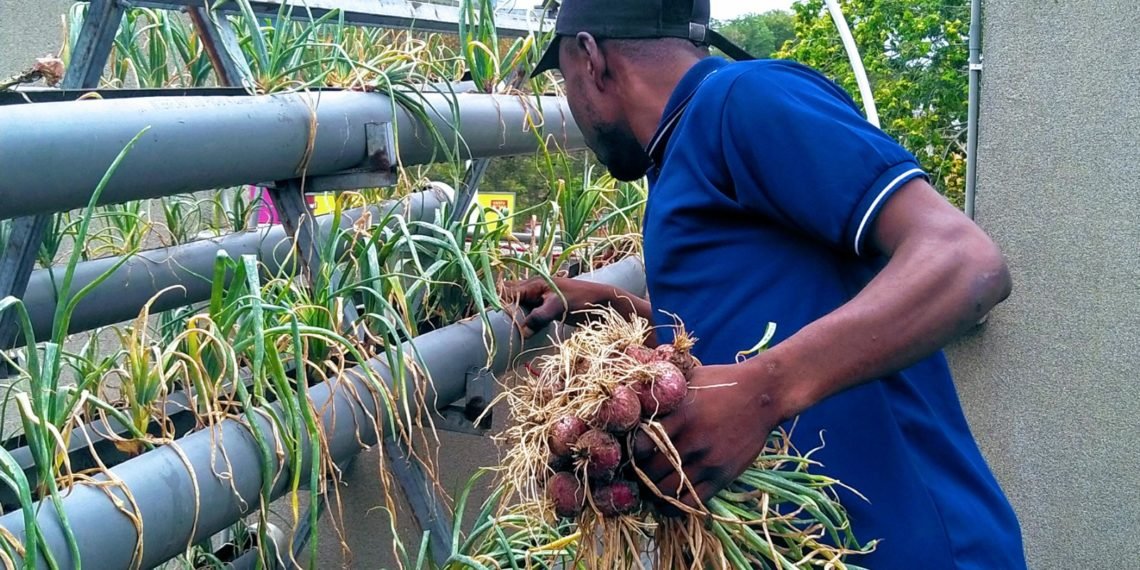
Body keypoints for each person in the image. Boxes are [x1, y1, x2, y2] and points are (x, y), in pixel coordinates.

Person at [506, 0, 1029, 568]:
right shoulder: (677, 158)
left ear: (590, 58)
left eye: (563, 79)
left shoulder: (741, 101)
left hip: (907, 548)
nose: (574, 108)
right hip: (815, 551)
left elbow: (965, 262)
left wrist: (763, 392)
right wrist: (606, 302)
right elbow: (756, 321)